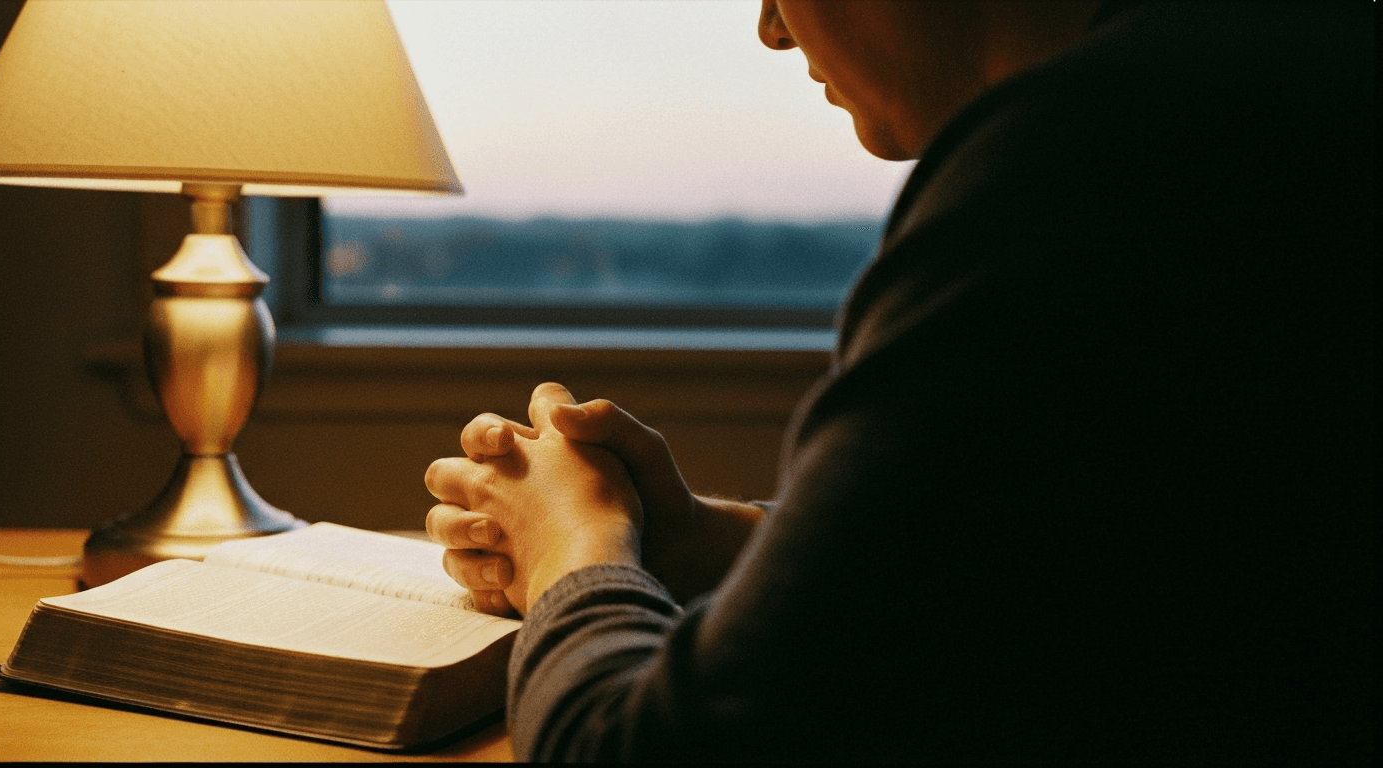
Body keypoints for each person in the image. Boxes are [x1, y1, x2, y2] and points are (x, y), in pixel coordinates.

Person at [424, 1, 1373, 761]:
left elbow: (645, 747)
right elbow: (1088, 588)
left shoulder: (1087, 164)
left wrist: (572, 551)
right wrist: (705, 545)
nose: (773, 26)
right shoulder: (1274, 81)